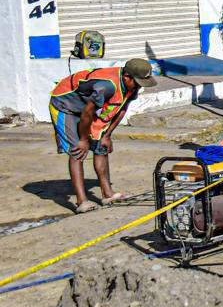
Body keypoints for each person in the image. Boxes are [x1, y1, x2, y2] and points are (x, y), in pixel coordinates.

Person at [49, 58, 156, 212]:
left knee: (102, 147)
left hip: (85, 108)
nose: (139, 87)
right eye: (138, 83)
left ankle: (108, 194)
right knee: (77, 150)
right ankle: (82, 201)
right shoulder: (106, 86)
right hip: (64, 106)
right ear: (126, 77)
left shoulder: (131, 86)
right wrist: (84, 139)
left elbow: (121, 109)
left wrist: (107, 135)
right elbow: (87, 113)